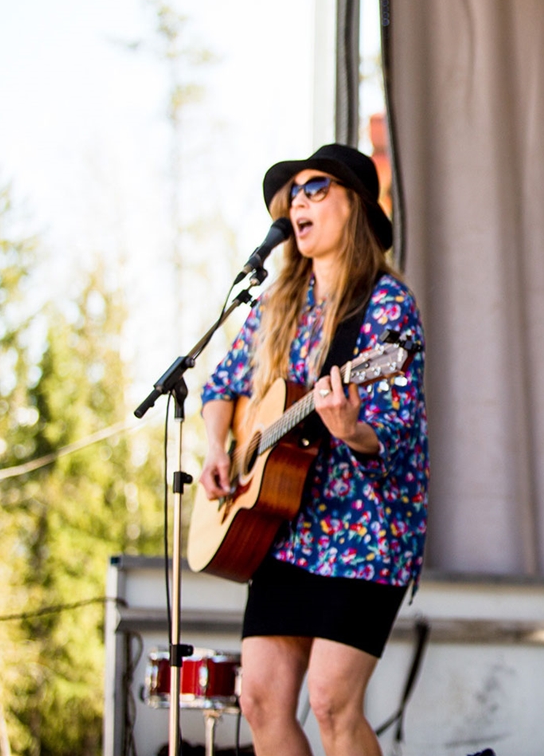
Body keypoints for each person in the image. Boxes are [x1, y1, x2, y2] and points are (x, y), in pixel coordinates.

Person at [198, 144, 428, 756]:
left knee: (331, 703)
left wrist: (350, 428)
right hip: (284, 528)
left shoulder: (385, 306)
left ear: (354, 206)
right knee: (260, 701)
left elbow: (395, 427)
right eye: (293, 191)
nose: (298, 199)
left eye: (316, 187)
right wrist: (218, 448)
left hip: (367, 534)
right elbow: (220, 385)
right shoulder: (277, 305)